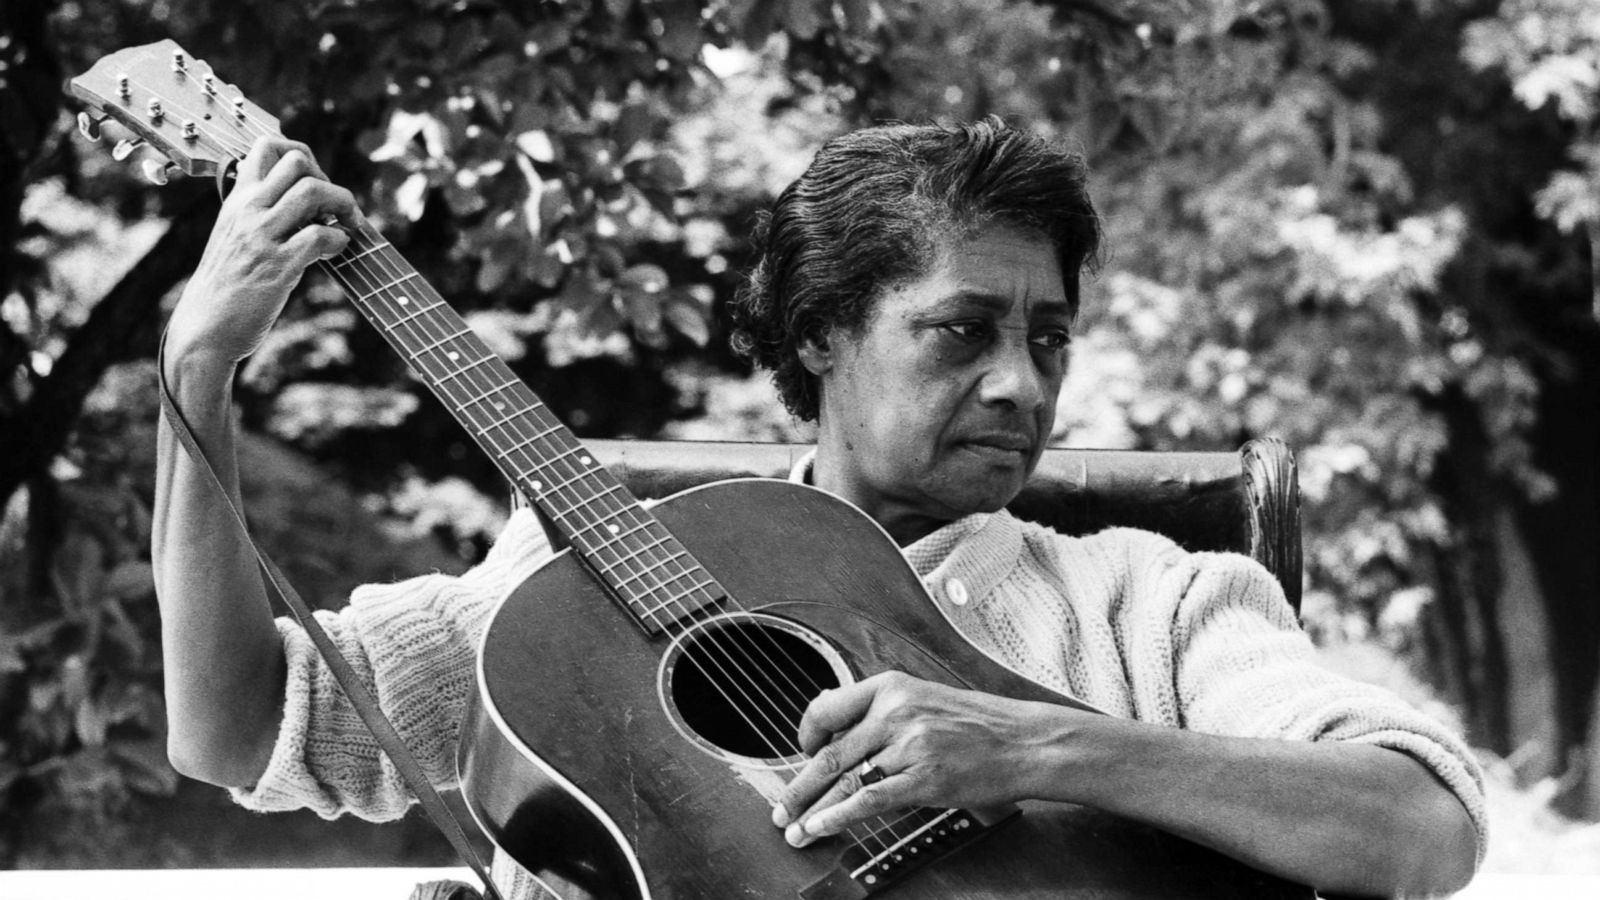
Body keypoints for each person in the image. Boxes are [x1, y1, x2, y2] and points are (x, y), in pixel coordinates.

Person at [152, 118, 1484, 899]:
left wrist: (1034, 749)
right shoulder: (562, 588)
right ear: (820, 335)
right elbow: (232, 732)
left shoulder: (1160, 594)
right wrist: (198, 373)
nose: (1019, 383)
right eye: (962, 332)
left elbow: (1420, 822)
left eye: (1050, 338)